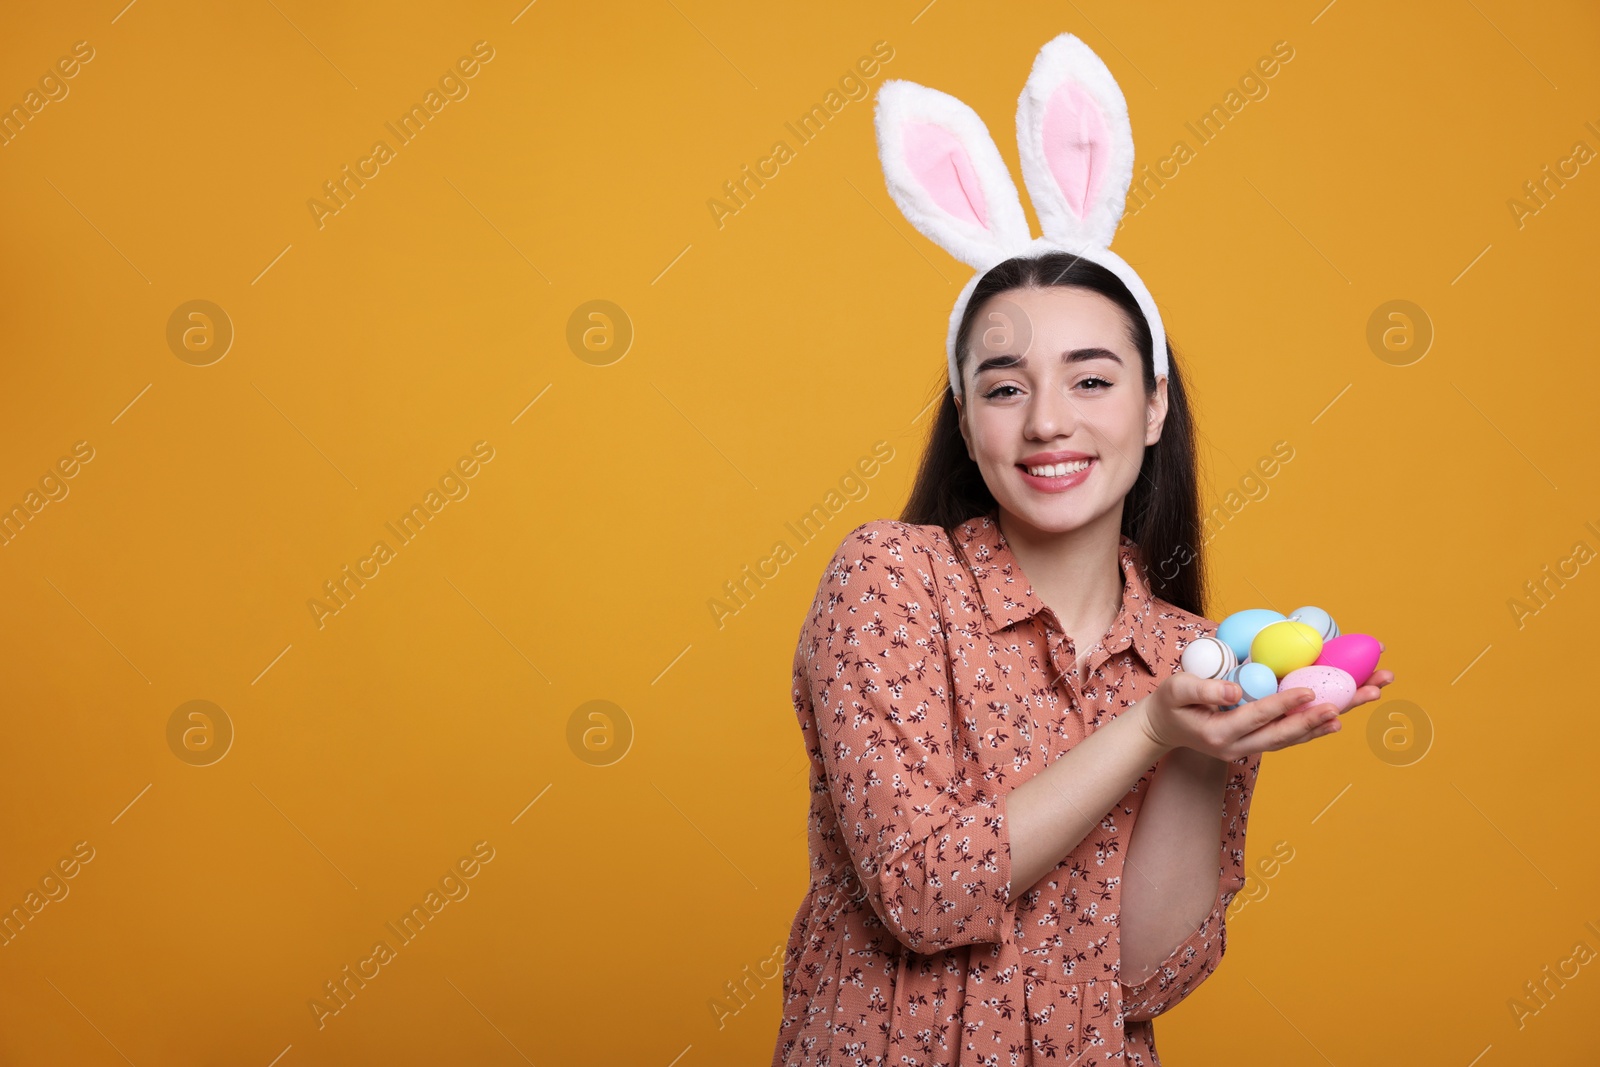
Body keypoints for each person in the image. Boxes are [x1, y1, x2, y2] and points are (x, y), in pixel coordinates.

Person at [769, 252, 1395, 1065]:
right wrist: (1149, 727)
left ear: (1154, 404)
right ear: (964, 421)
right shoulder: (889, 578)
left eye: (1091, 381)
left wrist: (1202, 749)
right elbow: (922, 894)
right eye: (1004, 387)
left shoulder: (1199, 660)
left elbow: (1139, 982)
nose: (1047, 423)